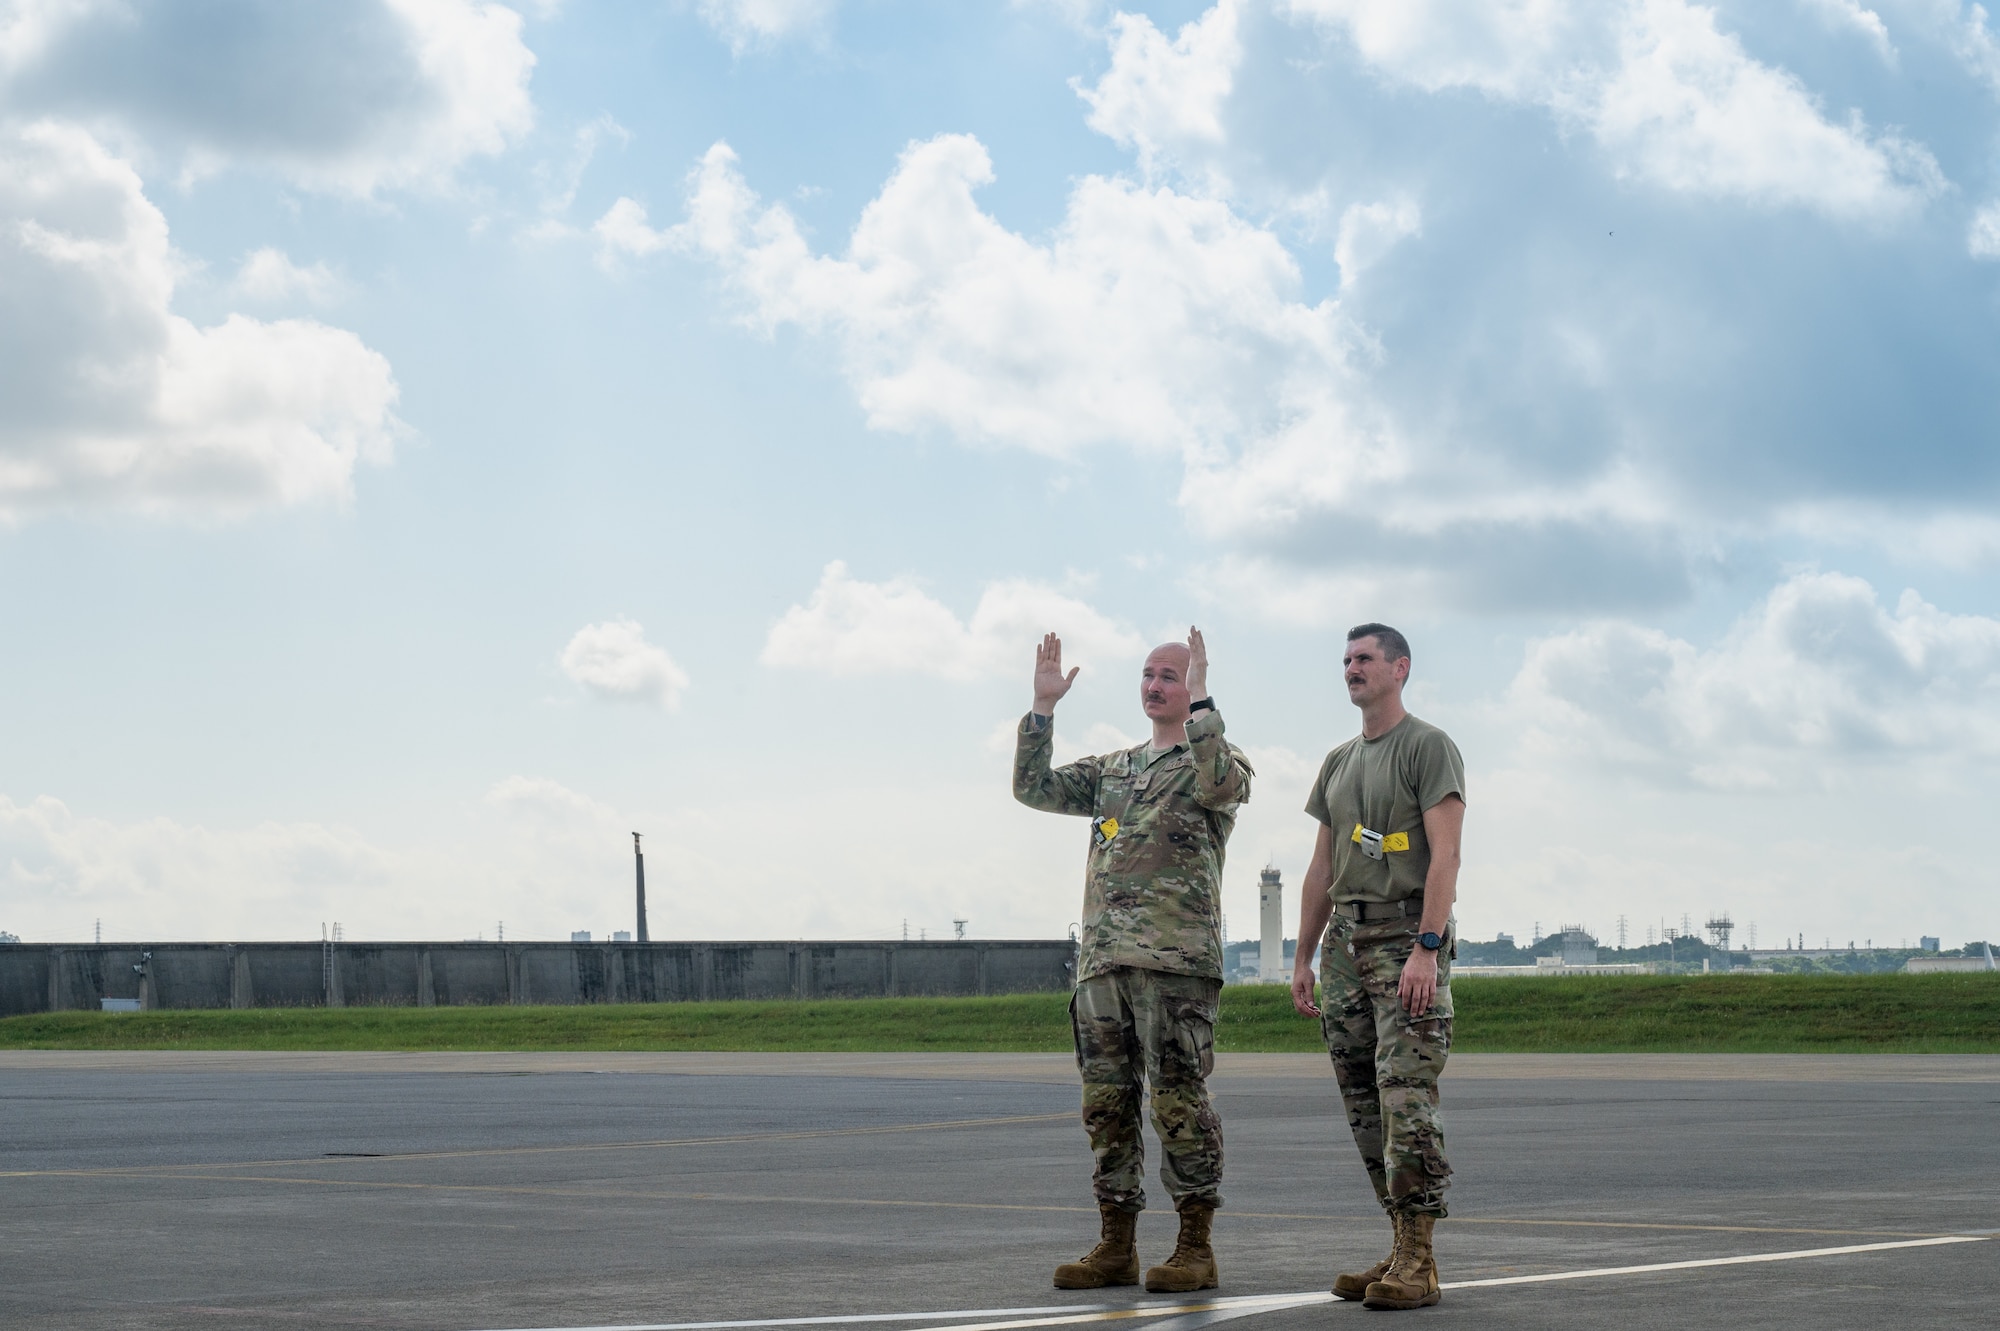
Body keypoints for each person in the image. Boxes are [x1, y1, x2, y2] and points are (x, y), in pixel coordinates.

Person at [1014, 628, 1253, 1294]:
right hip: (1103, 967)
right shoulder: (1114, 770)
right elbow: (1031, 786)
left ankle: (1194, 1246)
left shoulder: (1214, 763)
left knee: (1178, 1103)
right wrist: (1042, 710)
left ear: (1191, 688)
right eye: (1148, 674)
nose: (1154, 685)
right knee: (1107, 1106)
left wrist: (1205, 699)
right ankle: (1115, 1242)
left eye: (1170, 676)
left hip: (1176, 965)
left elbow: (1221, 778)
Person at [1290, 623, 1465, 1312]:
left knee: (1405, 1097)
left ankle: (1421, 1257)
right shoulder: (1337, 761)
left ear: (1400, 667)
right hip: (1345, 946)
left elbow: (1446, 856)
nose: (1351, 669)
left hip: (1403, 939)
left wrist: (1428, 945)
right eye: (1345, 660)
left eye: (1363, 658)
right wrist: (1302, 956)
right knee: (1364, 1102)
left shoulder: (1428, 747)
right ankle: (1398, 1244)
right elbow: (1321, 867)